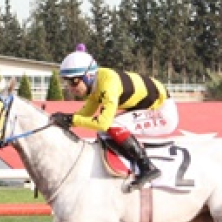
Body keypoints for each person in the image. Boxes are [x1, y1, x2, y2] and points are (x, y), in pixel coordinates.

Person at [50, 44, 179, 192]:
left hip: (162, 111)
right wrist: (65, 120)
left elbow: (103, 123)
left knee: (112, 125)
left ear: (88, 76)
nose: (70, 87)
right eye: (67, 81)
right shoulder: (97, 82)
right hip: (149, 107)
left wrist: (70, 120)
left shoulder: (108, 84)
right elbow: (85, 114)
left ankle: (147, 167)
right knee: (105, 131)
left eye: (74, 81)